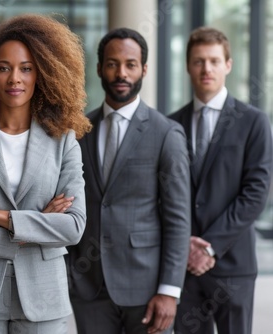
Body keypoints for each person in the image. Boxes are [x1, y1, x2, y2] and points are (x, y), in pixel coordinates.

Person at [0, 14, 91, 333]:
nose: (14, 79)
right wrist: (37, 228)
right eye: (4, 68)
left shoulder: (63, 139)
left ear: (42, 73)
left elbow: (73, 226)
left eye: (26, 68)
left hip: (43, 295)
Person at [66, 28, 191, 334]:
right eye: (112, 63)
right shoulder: (79, 130)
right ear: (99, 68)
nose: (121, 72)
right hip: (88, 286)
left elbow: (177, 219)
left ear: (144, 69)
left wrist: (169, 291)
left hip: (146, 288)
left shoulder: (166, 133)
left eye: (130, 64)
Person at [169, 27, 273, 334]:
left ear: (228, 64)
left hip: (233, 267)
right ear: (188, 66)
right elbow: (164, 193)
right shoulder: (171, 125)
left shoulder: (254, 122)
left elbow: (255, 194)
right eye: (199, 61)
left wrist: (209, 247)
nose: (206, 69)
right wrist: (185, 245)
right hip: (184, 268)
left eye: (214, 61)